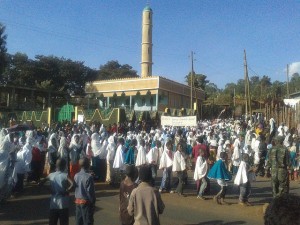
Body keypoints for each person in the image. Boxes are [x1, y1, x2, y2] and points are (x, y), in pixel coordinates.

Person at [39, 158, 73, 225]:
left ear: (56, 166)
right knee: (64, 222)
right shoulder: (65, 175)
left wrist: (49, 189)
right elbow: (72, 184)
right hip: (63, 202)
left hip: (53, 202)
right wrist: (67, 191)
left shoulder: (51, 175)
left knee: (52, 221)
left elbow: (40, 183)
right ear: (64, 166)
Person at [74, 157, 96, 225]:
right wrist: (93, 203)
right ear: (88, 165)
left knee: (79, 221)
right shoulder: (89, 177)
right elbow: (90, 193)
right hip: (86, 202)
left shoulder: (76, 175)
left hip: (77, 201)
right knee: (87, 221)